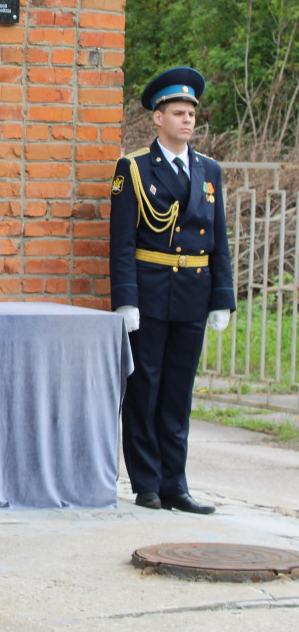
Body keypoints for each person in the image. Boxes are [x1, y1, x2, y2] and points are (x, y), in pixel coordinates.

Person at [109, 66, 234, 515]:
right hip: (150, 291)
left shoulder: (209, 170)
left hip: (192, 296)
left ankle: (174, 484)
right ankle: (146, 484)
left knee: (179, 394)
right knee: (145, 389)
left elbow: (218, 238)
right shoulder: (135, 169)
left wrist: (222, 298)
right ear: (157, 118)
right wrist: (126, 299)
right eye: (178, 113)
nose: (187, 121)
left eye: (191, 114)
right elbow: (123, 240)